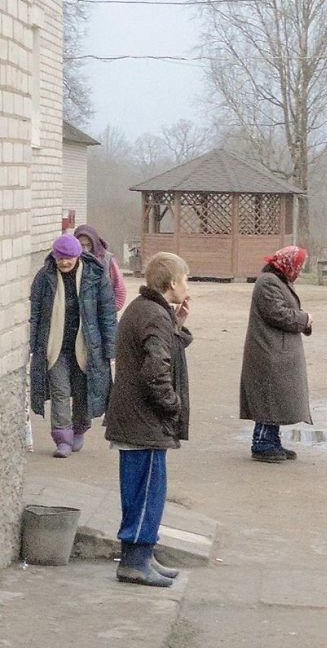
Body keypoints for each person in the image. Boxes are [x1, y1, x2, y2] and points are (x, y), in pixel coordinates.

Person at [104, 251, 192, 587]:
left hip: (135, 419)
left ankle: (142, 555)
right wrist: (172, 405)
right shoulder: (153, 315)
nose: (187, 285)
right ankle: (135, 562)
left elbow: (161, 349)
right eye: (185, 279)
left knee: (142, 490)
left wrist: (177, 322)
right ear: (172, 283)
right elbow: (156, 368)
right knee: (146, 492)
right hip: (144, 421)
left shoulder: (147, 310)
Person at [30, 234, 117, 457]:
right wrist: (32, 344)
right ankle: (63, 439)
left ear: (78, 256)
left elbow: (107, 315)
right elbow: (35, 313)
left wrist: (110, 348)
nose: (64, 262)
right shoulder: (44, 277)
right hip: (54, 346)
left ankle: (79, 430)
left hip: (87, 346)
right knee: (60, 392)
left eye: (68, 258)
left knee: (82, 393)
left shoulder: (96, 276)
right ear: (54, 257)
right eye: (60, 258)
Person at [240, 245, 313, 463]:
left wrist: (303, 320)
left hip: (275, 350)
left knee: (275, 399)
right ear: (289, 265)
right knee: (269, 399)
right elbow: (277, 313)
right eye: (299, 266)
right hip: (268, 351)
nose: (299, 270)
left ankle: (272, 441)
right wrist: (304, 319)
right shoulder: (268, 282)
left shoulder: (277, 281)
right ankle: (262, 443)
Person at [74, 223, 127, 311]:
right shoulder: (71, 261)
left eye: (88, 245)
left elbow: (119, 288)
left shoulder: (107, 259)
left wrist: (111, 310)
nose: (85, 250)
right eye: (81, 246)